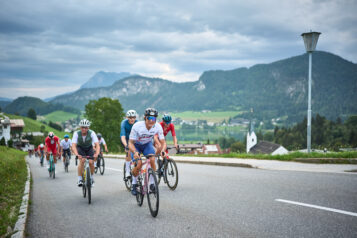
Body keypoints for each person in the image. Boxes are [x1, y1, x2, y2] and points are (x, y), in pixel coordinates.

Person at [128, 108, 166, 195]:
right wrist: (134, 152)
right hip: (136, 145)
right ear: (145, 118)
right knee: (139, 164)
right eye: (149, 118)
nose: (151, 121)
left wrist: (162, 150)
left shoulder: (157, 126)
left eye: (154, 118)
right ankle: (134, 184)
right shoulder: (137, 126)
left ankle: (152, 184)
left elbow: (163, 142)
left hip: (147, 145)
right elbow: (130, 143)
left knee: (152, 160)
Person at [72, 119, 100, 187]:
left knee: (91, 162)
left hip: (89, 148)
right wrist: (77, 154)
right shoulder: (76, 133)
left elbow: (97, 145)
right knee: (82, 160)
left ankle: (92, 178)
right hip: (80, 148)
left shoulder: (92, 133)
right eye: (82, 127)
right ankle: (79, 179)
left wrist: (97, 153)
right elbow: (73, 146)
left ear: (88, 128)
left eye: (86, 127)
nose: (84, 129)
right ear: (80, 127)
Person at [120, 110, 138, 178]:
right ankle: (127, 171)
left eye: (133, 117)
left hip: (134, 139)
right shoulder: (124, 123)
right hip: (126, 139)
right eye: (130, 117)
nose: (132, 119)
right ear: (127, 117)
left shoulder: (137, 123)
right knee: (129, 151)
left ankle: (135, 165)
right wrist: (126, 146)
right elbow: (123, 136)